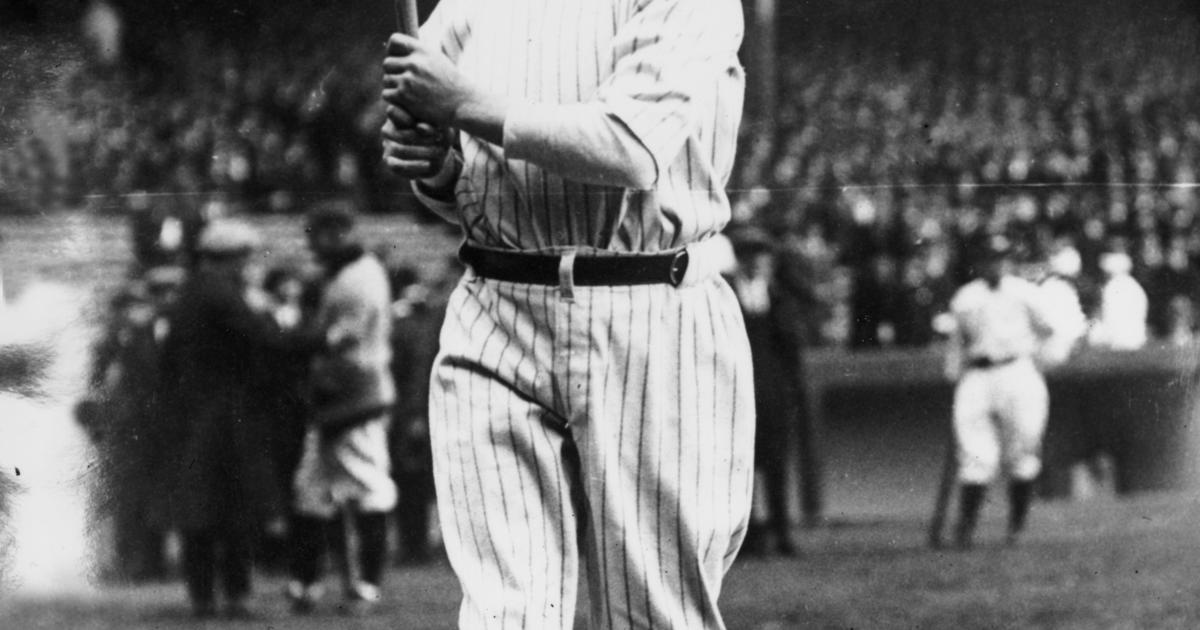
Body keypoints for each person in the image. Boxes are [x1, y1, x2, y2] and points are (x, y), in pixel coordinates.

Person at [381, 0, 754, 626]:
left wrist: (462, 103)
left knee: (654, 612)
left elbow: (630, 146)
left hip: (649, 303)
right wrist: (442, 168)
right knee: (505, 616)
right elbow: (459, 163)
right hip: (496, 299)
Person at [156, 220, 290, 618]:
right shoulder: (221, 293)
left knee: (202, 512)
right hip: (224, 417)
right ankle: (235, 595)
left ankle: (203, 597)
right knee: (233, 509)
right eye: (246, 257)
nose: (249, 265)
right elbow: (263, 340)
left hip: (192, 414)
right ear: (233, 257)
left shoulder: (192, 291)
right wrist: (318, 337)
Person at [286, 204, 398, 614]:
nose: (310, 243)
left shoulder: (359, 278)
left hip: (358, 395)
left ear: (338, 233)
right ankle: (306, 584)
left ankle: (366, 585)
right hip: (335, 396)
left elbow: (338, 338)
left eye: (315, 234)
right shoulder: (347, 274)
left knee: (368, 488)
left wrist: (289, 340)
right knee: (311, 491)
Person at [943, 236, 1061, 549]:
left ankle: (1016, 528)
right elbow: (957, 343)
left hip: (1017, 370)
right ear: (979, 263)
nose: (994, 265)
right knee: (975, 450)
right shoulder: (966, 298)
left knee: (1023, 447)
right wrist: (954, 375)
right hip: (979, 373)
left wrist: (1041, 361)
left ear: (1009, 262)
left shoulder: (1025, 293)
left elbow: (1050, 330)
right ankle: (966, 529)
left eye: (1001, 258)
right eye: (988, 259)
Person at [728, 228, 801, 556]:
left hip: (772, 393)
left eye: (762, 257)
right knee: (739, 467)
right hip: (735, 391)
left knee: (775, 465)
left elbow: (790, 349)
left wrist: (791, 389)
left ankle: (781, 534)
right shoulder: (725, 292)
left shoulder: (778, 295)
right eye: (750, 256)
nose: (757, 263)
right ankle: (748, 538)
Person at [1088, 251, 1148, 350]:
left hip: (1116, 341)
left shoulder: (1111, 287)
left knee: (1094, 325)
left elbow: (1108, 317)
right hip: (1136, 340)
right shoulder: (1136, 286)